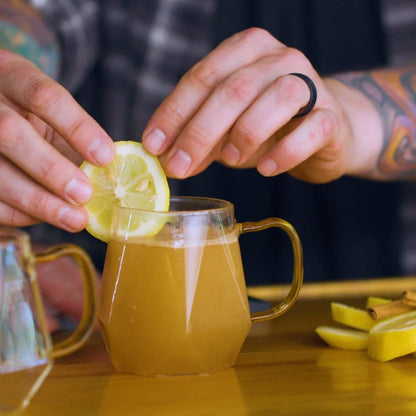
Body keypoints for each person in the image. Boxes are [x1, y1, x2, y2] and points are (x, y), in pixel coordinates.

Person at [0, 0, 415, 328]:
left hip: (390, 317)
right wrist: (11, 59)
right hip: (110, 320)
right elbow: (39, 14)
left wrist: (351, 116)